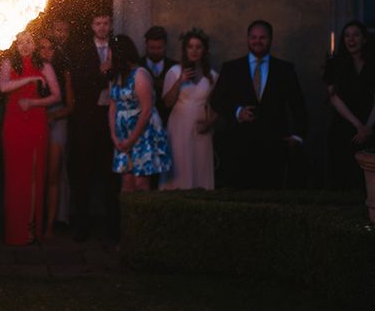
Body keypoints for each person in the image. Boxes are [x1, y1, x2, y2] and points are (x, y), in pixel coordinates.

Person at [209, 20, 308, 189]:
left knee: (272, 195)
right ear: (248, 39)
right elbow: (216, 100)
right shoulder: (231, 68)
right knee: (240, 197)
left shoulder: (285, 69)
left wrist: (298, 136)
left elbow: (298, 105)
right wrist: (237, 112)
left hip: (274, 145)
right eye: (253, 37)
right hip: (238, 144)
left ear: (270, 39)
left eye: (262, 38)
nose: (257, 41)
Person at [0, 30, 60, 245]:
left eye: (28, 41)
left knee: (34, 174)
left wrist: (34, 103)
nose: (24, 46)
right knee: (16, 176)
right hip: (14, 123)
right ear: (14, 45)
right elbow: (3, 86)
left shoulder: (45, 66)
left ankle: (31, 227)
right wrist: (30, 79)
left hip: (36, 122)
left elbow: (56, 95)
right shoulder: (8, 63)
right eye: (20, 42)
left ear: (34, 44)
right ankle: (16, 228)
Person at [108, 35, 171, 218]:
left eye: (111, 51)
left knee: (141, 182)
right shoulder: (116, 76)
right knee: (126, 183)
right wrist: (114, 135)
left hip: (142, 134)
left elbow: (146, 110)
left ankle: (145, 230)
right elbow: (112, 106)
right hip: (122, 135)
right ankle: (128, 232)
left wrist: (132, 139)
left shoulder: (140, 75)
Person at [68, 12, 117, 242]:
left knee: (111, 175)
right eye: (98, 23)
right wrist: (100, 72)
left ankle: (112, 228)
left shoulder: (118, 46)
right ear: (91, 25)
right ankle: (82, 228)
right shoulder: (81, 50)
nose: (102, 27)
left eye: (106, 23)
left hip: (112, 116)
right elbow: (78, 82)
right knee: (84, 173)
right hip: (88, 119)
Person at [160, 28, 219, 190]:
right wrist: (180, 81)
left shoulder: (213, 76)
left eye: (198, 47)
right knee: (180, 166)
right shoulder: (174, 72)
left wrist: (209, 123)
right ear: (185, 50)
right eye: (190, 47)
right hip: (179, 127)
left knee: (199, 167)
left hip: (201, 130)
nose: (194, 50)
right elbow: (167, 103)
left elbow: (217, 107)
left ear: (204, 50)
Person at [323, 19, 375, 194]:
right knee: (342, 178)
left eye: (356, 35)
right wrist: (358, 125)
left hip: (370, 127)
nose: (351, 40)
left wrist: (368, 126)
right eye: (347, 36)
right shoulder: (335, 64)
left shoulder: (373, 64)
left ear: (364, 39)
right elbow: (334, 98)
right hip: (344, 127)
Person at [38, 32, 75, 238]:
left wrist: (53, 115)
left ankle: (51, 223)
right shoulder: (35, 69)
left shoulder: (63, 72)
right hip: (36, 123)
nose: (46, 52)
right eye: (42, 48)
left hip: (57, 122)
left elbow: (70, 106)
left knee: (53, 173)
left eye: (49, 48)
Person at [140, 25, 177, 126]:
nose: (155, 51)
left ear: (165, 46)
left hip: (169, 122)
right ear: (145, 45)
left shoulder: (175, 67)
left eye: (159, 48)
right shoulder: (137, 65)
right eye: (152, 48)